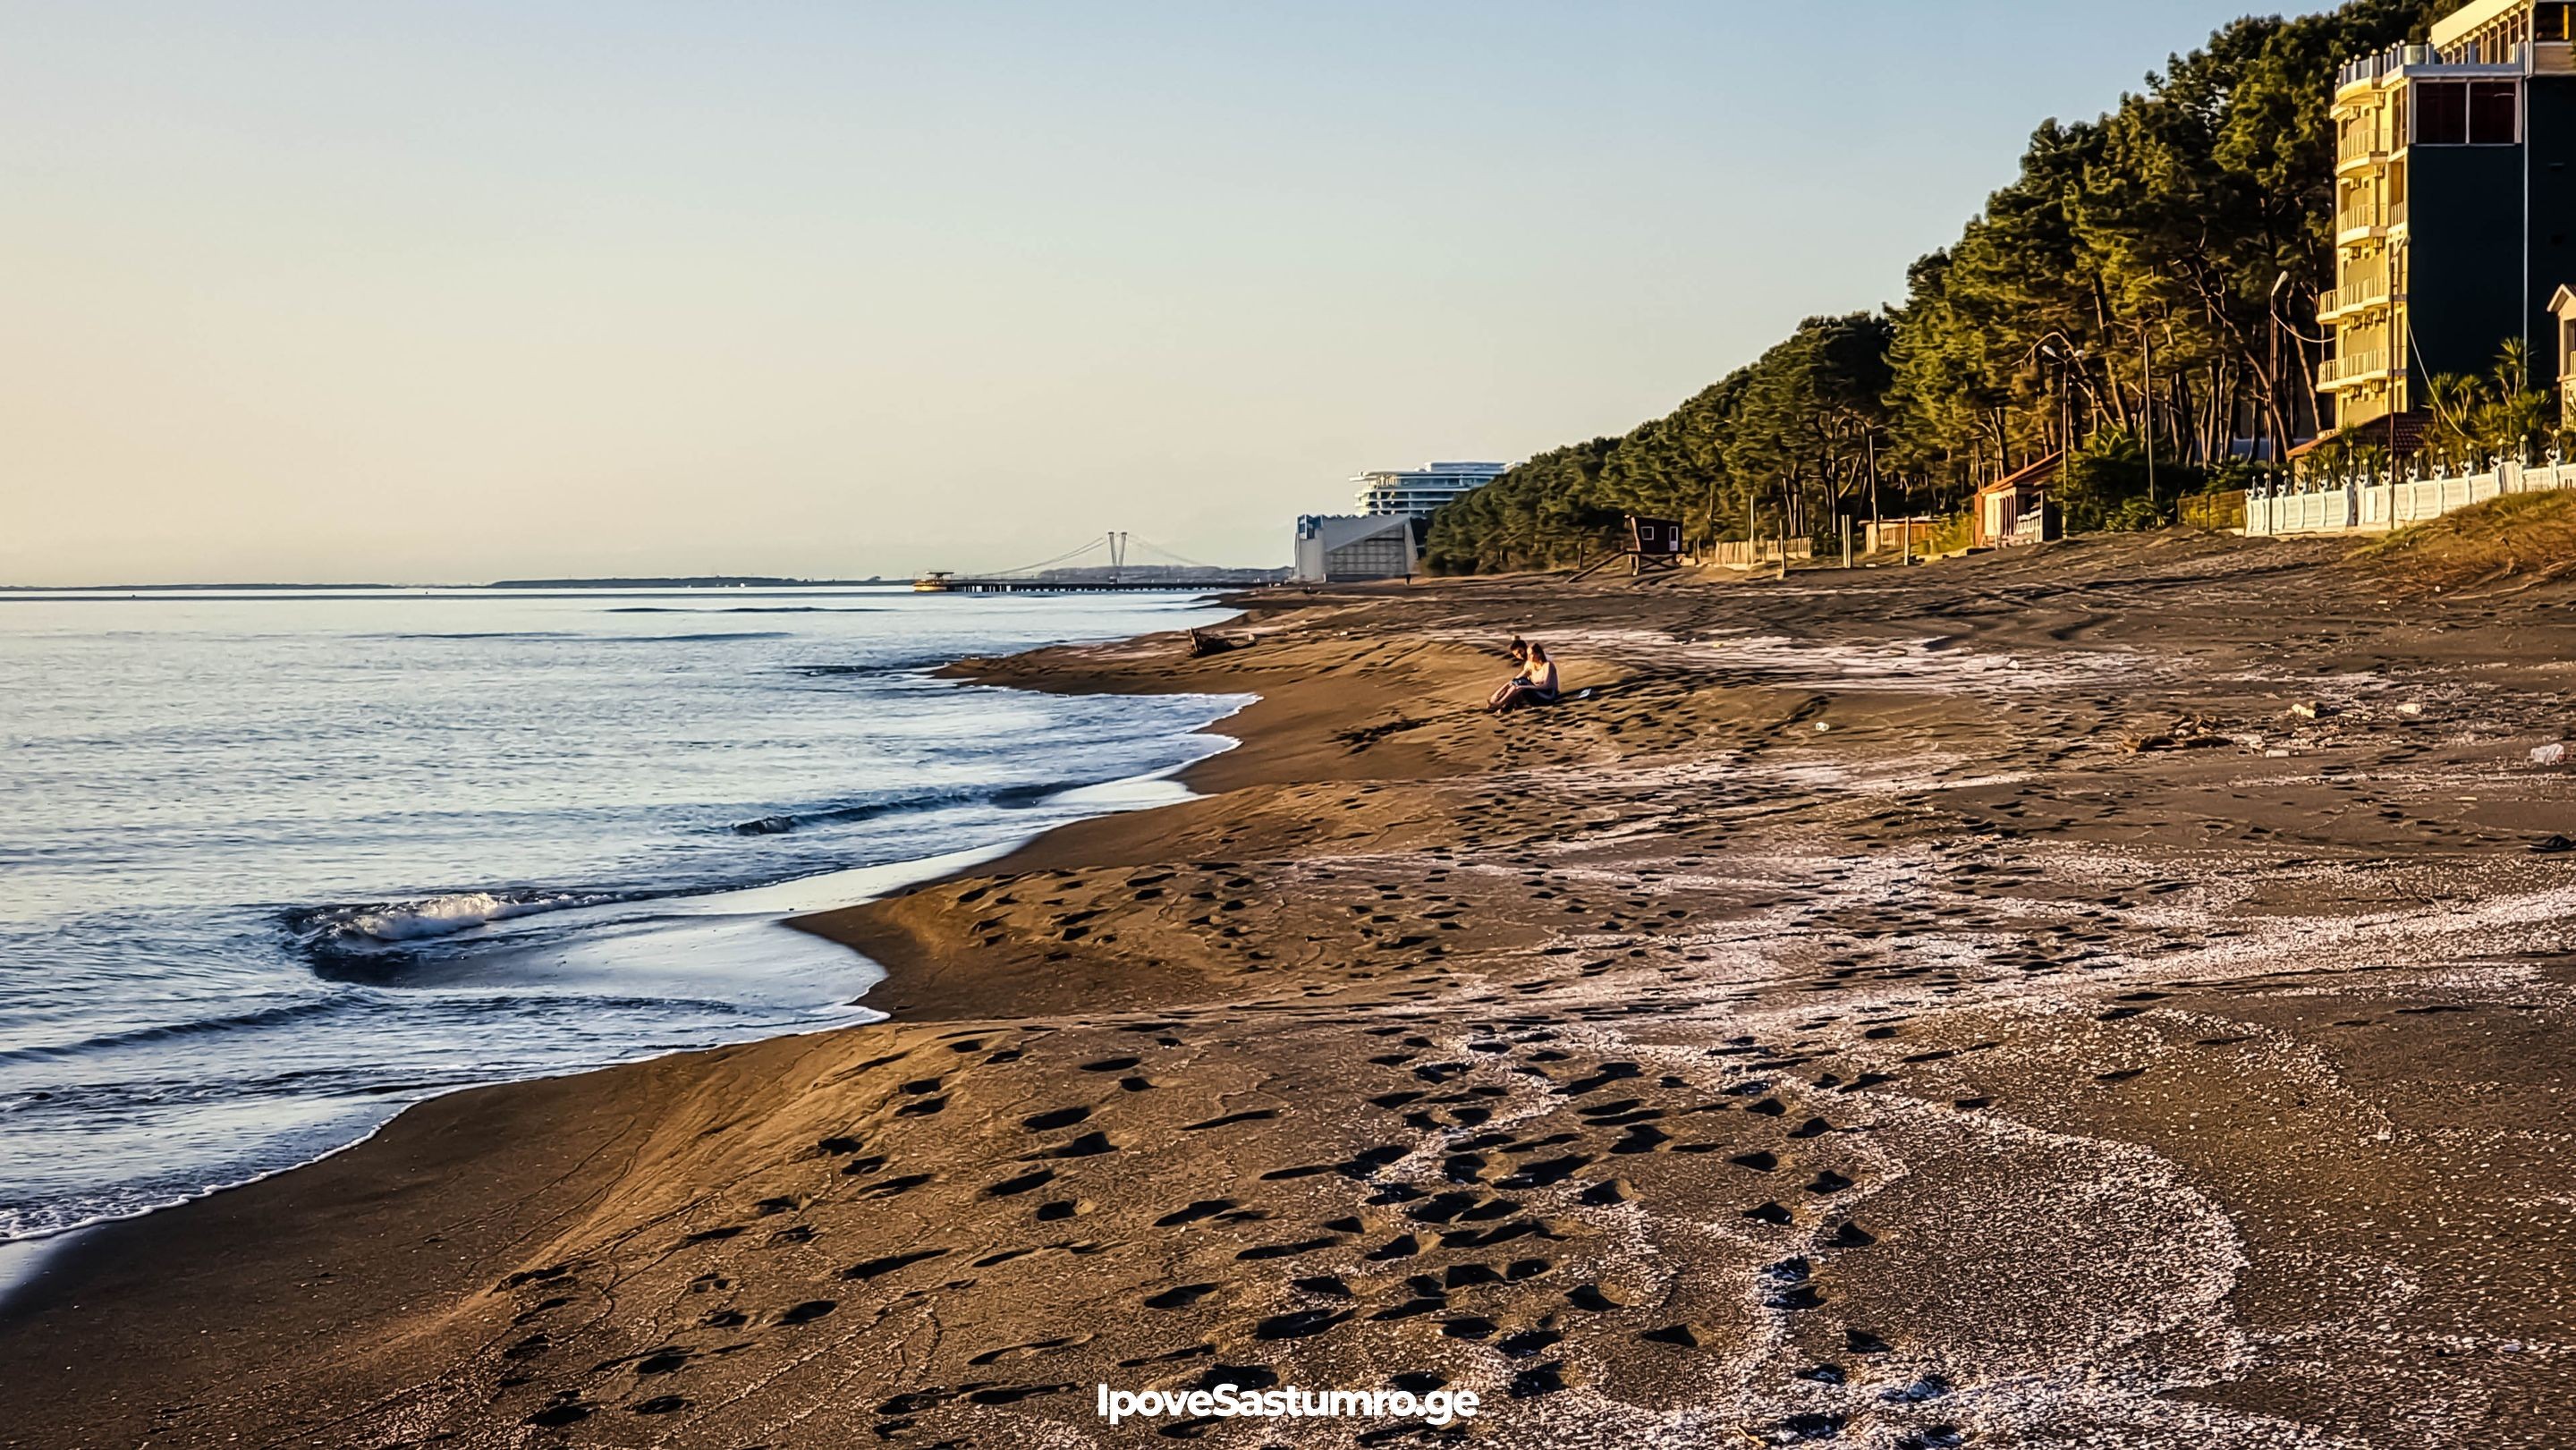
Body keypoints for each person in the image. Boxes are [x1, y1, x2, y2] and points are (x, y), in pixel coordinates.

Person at [1488, 641, 1561, 714]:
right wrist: (1497, 693)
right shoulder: (1530, 665)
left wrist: (1525, 687)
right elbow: (1515, 680)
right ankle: (1503, 705)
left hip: (1549, 696)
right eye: (1528, 654)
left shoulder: (1548, 665)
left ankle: (1499, 704)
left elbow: (1546, 686)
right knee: (1519, 682)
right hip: (1537, 693)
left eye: (1531, 654)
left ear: (1539, 654)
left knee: (1522, 683)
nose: (1528, 657)